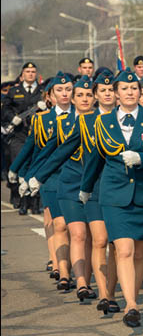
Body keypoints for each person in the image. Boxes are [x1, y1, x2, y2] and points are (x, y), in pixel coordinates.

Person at [82, 68, 143, 328]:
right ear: (116, 94)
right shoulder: (103, 122)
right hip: (114, 194)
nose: (130, 92)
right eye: (125, 89)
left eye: (135, 89)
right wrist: (86, 187)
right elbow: (96, 156)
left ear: (141, 93)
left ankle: (131, 296)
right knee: (124, 249)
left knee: (140, 253)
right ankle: (131, 305)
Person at [27, 76, 97, 302]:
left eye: (88, 95)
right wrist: (35, 176)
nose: (84, 99)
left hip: (96, 185)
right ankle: (76, 280)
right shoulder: (64, 123)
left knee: (95, 238)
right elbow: (53, 152)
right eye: (79, 95)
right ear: (73, 100)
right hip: (67, 182)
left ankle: (87, 277)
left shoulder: (106, 120)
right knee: (73, 232)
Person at [17, 72, 75, 291]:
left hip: (75, 175)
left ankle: (71, 265)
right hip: (51, 176)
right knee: (57, 223)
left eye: (68, 89)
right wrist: (26, 173)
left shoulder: (82, 117)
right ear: (49, 96)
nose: (64, 94)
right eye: (59, 90)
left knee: (74, 227)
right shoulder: (43, 119)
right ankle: (61, 266)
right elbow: (33, 149)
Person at [79, 69, 121, 314]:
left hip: (118, 188)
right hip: (95, 186)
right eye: (102, 91)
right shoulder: (85, 121)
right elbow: (62, 149)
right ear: (95, 95)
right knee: (100, 240)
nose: (107, 94)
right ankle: (104, 293)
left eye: (109, 90)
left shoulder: (126, 119)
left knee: (116, 243)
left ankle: (112, 291)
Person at [4, 62, 44, 215]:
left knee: (36, 166)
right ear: (22, 74)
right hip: (19, 135)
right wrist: (11, 117)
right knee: (20, 166)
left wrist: (45, 106)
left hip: (37, 134)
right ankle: (22, 201)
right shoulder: (14, 91)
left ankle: (36, 202)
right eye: (27, 71)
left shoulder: (42, 91)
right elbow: (5, 108)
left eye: (33, 71)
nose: (30, 74)